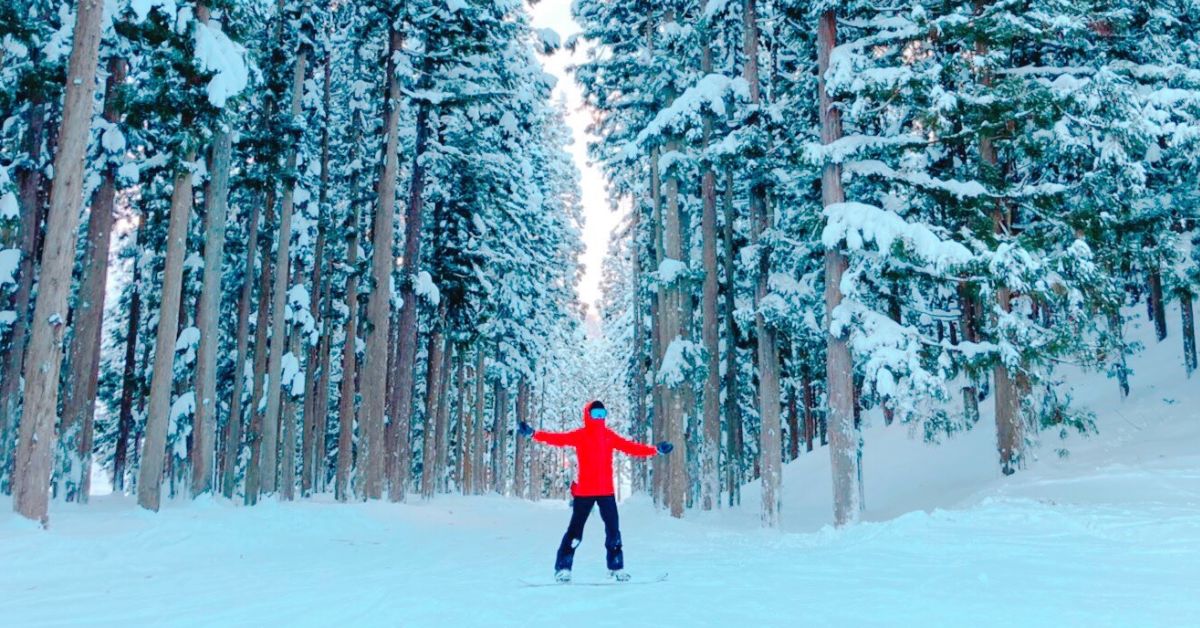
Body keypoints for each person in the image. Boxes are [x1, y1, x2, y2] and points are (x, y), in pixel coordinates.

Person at [517, 399, 673, 583]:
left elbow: (632, 448)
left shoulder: (609, 436)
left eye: (602, 415)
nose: (599, 418)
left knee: (613, 531)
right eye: (595, 414)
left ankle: (615, 567)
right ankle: (563, 568)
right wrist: (533, 434)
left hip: (606, 491)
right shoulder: (580, 435)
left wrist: (655, 450)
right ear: (588, 416)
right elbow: (557, 439)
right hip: (584, 492)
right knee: (575, 532)